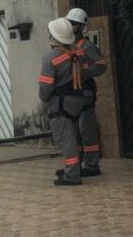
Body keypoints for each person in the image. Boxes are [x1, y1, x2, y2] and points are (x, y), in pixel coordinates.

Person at [38, 17, 85, 186]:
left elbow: (45, 87)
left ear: (53, 36)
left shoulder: (50, 59)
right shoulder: (78, 52)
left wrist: (44, 99)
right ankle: (74, 169)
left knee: (65, 138)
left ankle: (72, 175)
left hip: (60, 103)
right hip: (77, 100)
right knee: (73, 136)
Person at [65, 7, 107, 177]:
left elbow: (101, 65)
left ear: (81, 27)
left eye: (74, 24)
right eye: (69, 23)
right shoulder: (66, 46)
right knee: (74, 132)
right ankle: (77, 165)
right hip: (72, 95)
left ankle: (91, 165)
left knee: (86, 129)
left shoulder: (87, 46)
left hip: (85, 95)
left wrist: (85, 72)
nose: (70, 27)